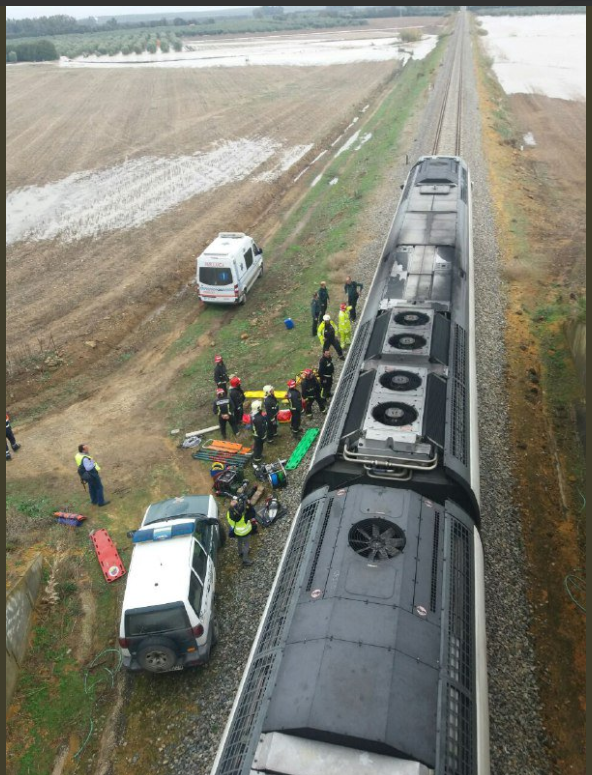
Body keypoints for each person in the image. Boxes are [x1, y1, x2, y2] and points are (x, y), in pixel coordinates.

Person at [226, 496, 258, 567]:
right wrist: (249, 505)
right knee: (246, 545)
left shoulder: (229, 513)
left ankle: (240, 552)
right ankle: (245, 560)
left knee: (239, 542)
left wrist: (233, 507)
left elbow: (232, 517)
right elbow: (253, 513)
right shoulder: (244, 516)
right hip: (245, 532)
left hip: (237, 532)